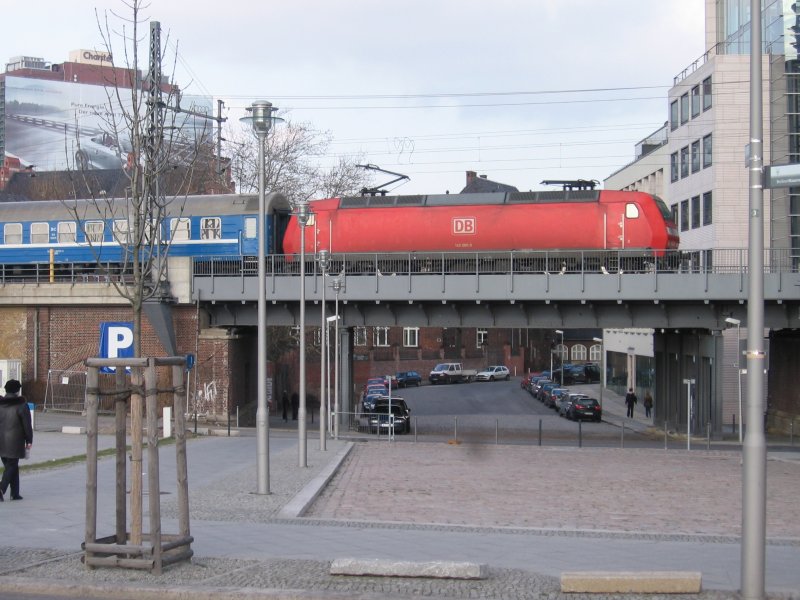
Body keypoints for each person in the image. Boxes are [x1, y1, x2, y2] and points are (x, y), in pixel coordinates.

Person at [0, 379, 33, 501]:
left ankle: (15, 493)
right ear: (17, 390)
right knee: (12, 465)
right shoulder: (21, 405)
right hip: (15, 441)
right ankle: (1, 488)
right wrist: (29, 441)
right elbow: (27, 425)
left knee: (12, 467)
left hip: (1, 441)